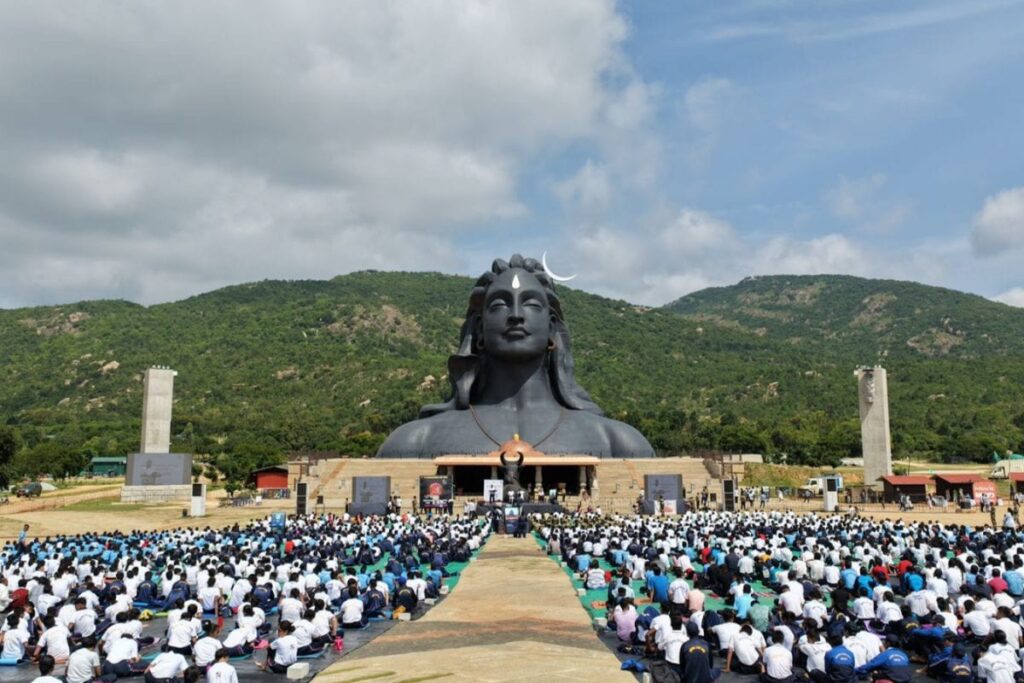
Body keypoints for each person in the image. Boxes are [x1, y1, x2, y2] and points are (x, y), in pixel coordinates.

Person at [377, 254, 655, 458]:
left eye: (531, 304)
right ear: (479, 328)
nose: (516, 315)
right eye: (500, 304)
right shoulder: (415, 441)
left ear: (552, 328)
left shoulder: (617, 442)